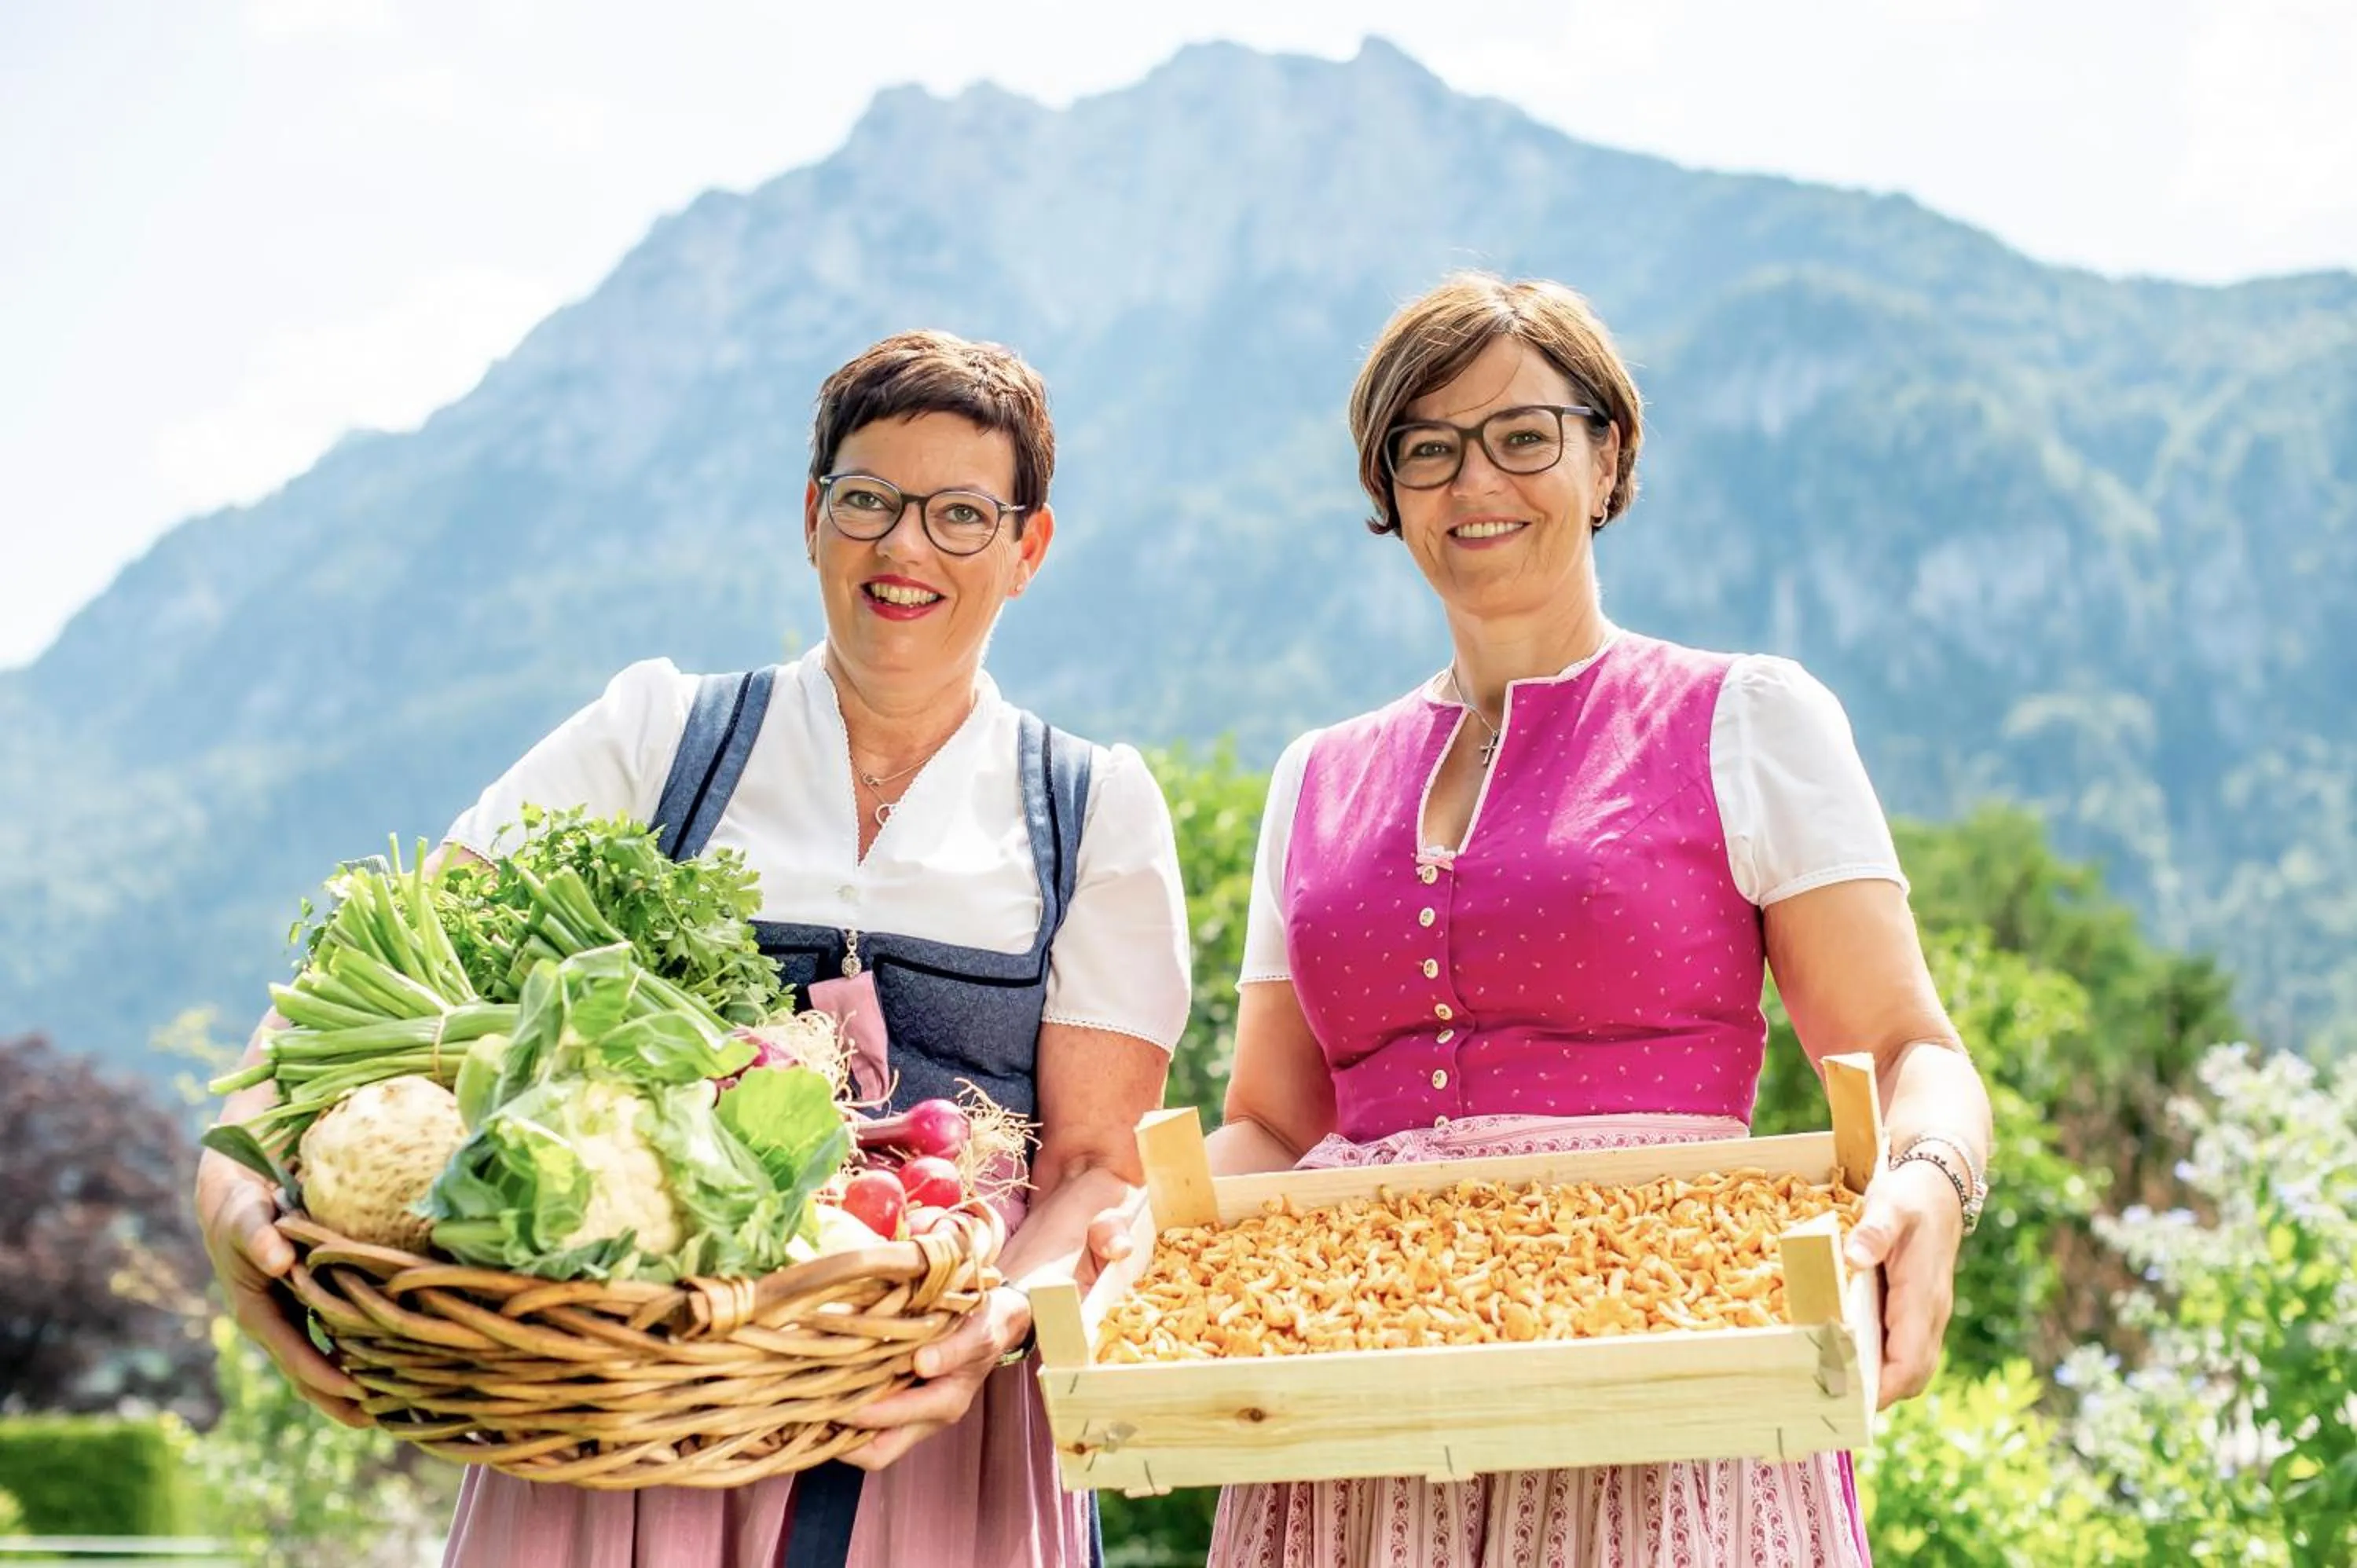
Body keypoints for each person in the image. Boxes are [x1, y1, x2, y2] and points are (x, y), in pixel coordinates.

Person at [193, 329, 1193, 1568]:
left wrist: (982, 1329)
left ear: (1027, 549)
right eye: (869, 500)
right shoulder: (661, 735)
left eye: (961, 515)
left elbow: (1099, 1165)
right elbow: (374, 967)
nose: (903, 548)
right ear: (812, 515)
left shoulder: (1090, 808)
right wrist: (231, 1170)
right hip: (627, 1405)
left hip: (936, 1433)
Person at [1171, 274, 1991, 1566]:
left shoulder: (1748, 719)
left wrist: (1932, 1182)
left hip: (1667, 1372)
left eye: (1524, 436)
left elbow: (1907, 1048)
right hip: (1356, 1414)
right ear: (1386, 496)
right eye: (1425, 449)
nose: (1474, 480)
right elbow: (1275, 1124)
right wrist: (1141, 1229)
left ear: (1608, 458)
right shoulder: (1315, 776)